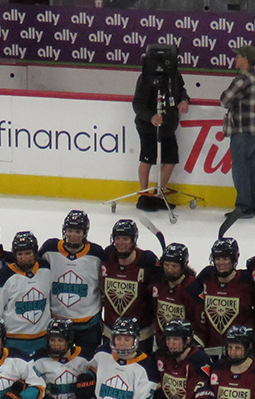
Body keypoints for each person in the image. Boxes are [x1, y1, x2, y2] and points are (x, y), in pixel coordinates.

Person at [132, 44, 191, 204]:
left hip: (168, 125)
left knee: (171, 159)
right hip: (147, 126)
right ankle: (144, 195)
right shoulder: (146, 78)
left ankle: (160, 194)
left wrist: (184, 100)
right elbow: (138, 103)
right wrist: (151, 116)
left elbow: (181, 91)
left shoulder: (174, 76)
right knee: (147, 158)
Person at [41, 210, 103, 356]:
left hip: (88, 323)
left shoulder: (96, 254)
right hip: (56, 322)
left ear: (85, 232)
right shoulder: (50, 249)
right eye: (70, 230)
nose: (73, 235)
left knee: (87, 364)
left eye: (77, 231)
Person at [0, 231, 53, 355]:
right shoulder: (2, 277)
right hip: (13, 341)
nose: (24, 257)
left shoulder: (46, 269)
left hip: (43, 340)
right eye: (20, 254)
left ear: (35, 253)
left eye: (28, 253)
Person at [189, 237, 255, 352]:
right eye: (217, 258)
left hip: (239, 351)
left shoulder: (247, 280)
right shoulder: (206, 276)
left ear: (234, 259)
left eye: (225, 258)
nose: (220, 263)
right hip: (210, 348)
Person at [100, 219, 159, 348]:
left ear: (134, 240)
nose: (121, 243)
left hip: (141, 335)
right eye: (118, 238)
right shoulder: (107, 257)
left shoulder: (147, 262)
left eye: (125, 239)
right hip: (111, 333)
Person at [220, 45, 255, 218]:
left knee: (240, 168)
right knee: (249, 166)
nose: (235, 60)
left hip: (242, 128)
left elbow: (225, 99)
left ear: (245, 59)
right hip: (254, 129)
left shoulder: (242, 78)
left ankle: (244, 205)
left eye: (238, 57)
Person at [149, 243, 200, 344]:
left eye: (174, 266)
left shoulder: (192, 288)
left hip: (182, 344)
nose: (169, 270)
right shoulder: (158, 283)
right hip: (161, 342)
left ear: (183, 266)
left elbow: (196, 321)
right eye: (166, 265)